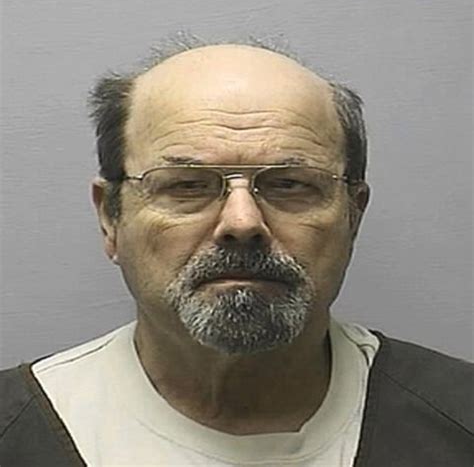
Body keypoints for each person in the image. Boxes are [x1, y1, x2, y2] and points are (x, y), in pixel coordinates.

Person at [1, 36, 472, 467]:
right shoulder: (16, 431)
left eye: (290, 184)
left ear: (353, 215)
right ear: (111, 217)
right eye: (187, 185)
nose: (243, 223)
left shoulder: (458, 417)